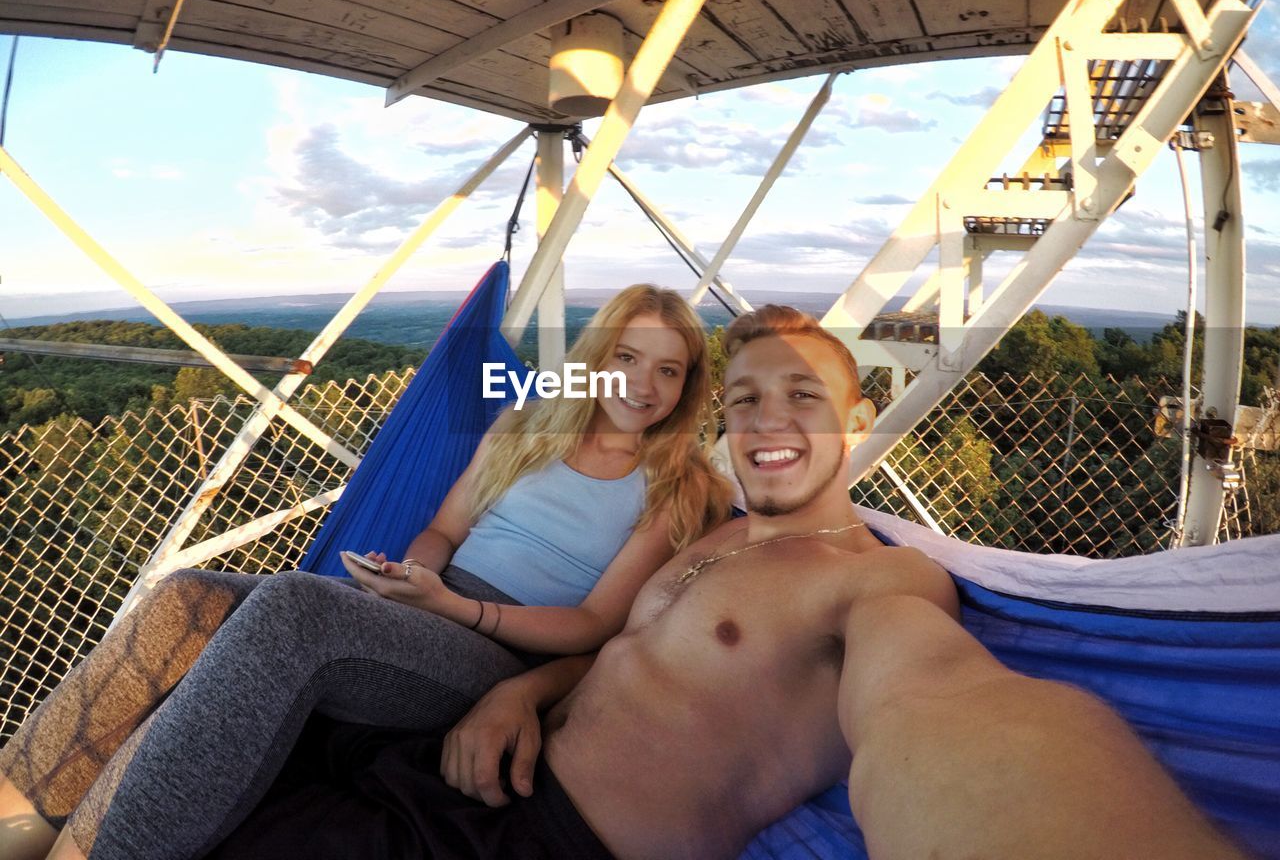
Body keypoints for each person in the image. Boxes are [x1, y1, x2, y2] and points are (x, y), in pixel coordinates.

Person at [208, 304, 1248, 860]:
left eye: (802, 396)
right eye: (744, 398)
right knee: (220, 741)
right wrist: (518, 690)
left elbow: (945, 711)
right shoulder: (713, 536)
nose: (764, 420)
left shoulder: (875, 581)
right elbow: (608, 645)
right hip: (460, 767)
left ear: (852, 425)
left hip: (553, 839)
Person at [0, 284, 732, 860]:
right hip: (429, 608)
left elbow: (594, 626)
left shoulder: (677, 486)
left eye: (668, 370)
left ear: (688, 384)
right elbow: (444, 530)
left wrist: (452, 609)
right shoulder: (526, 427)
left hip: (500, 648)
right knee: (185, 597)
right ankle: (13, 823)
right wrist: (411, 578)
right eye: (627, 359)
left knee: (293, 608)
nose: (643, 384)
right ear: (595, 358)